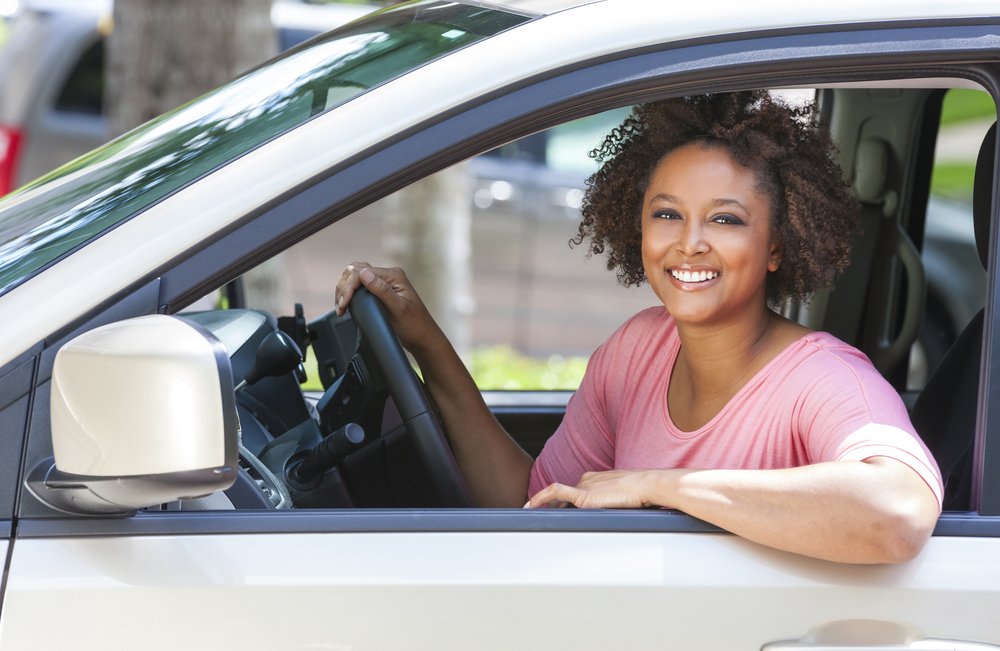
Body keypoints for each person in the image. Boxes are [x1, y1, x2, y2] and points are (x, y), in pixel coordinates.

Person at [335, 91, 942, 564]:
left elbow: (898, 511)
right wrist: (427, 344)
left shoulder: (823, 378)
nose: (689, 243)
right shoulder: (637, 351)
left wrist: (661, 487)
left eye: (726, 219)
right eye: (668, 214)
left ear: (777, 244)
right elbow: (528, 499)